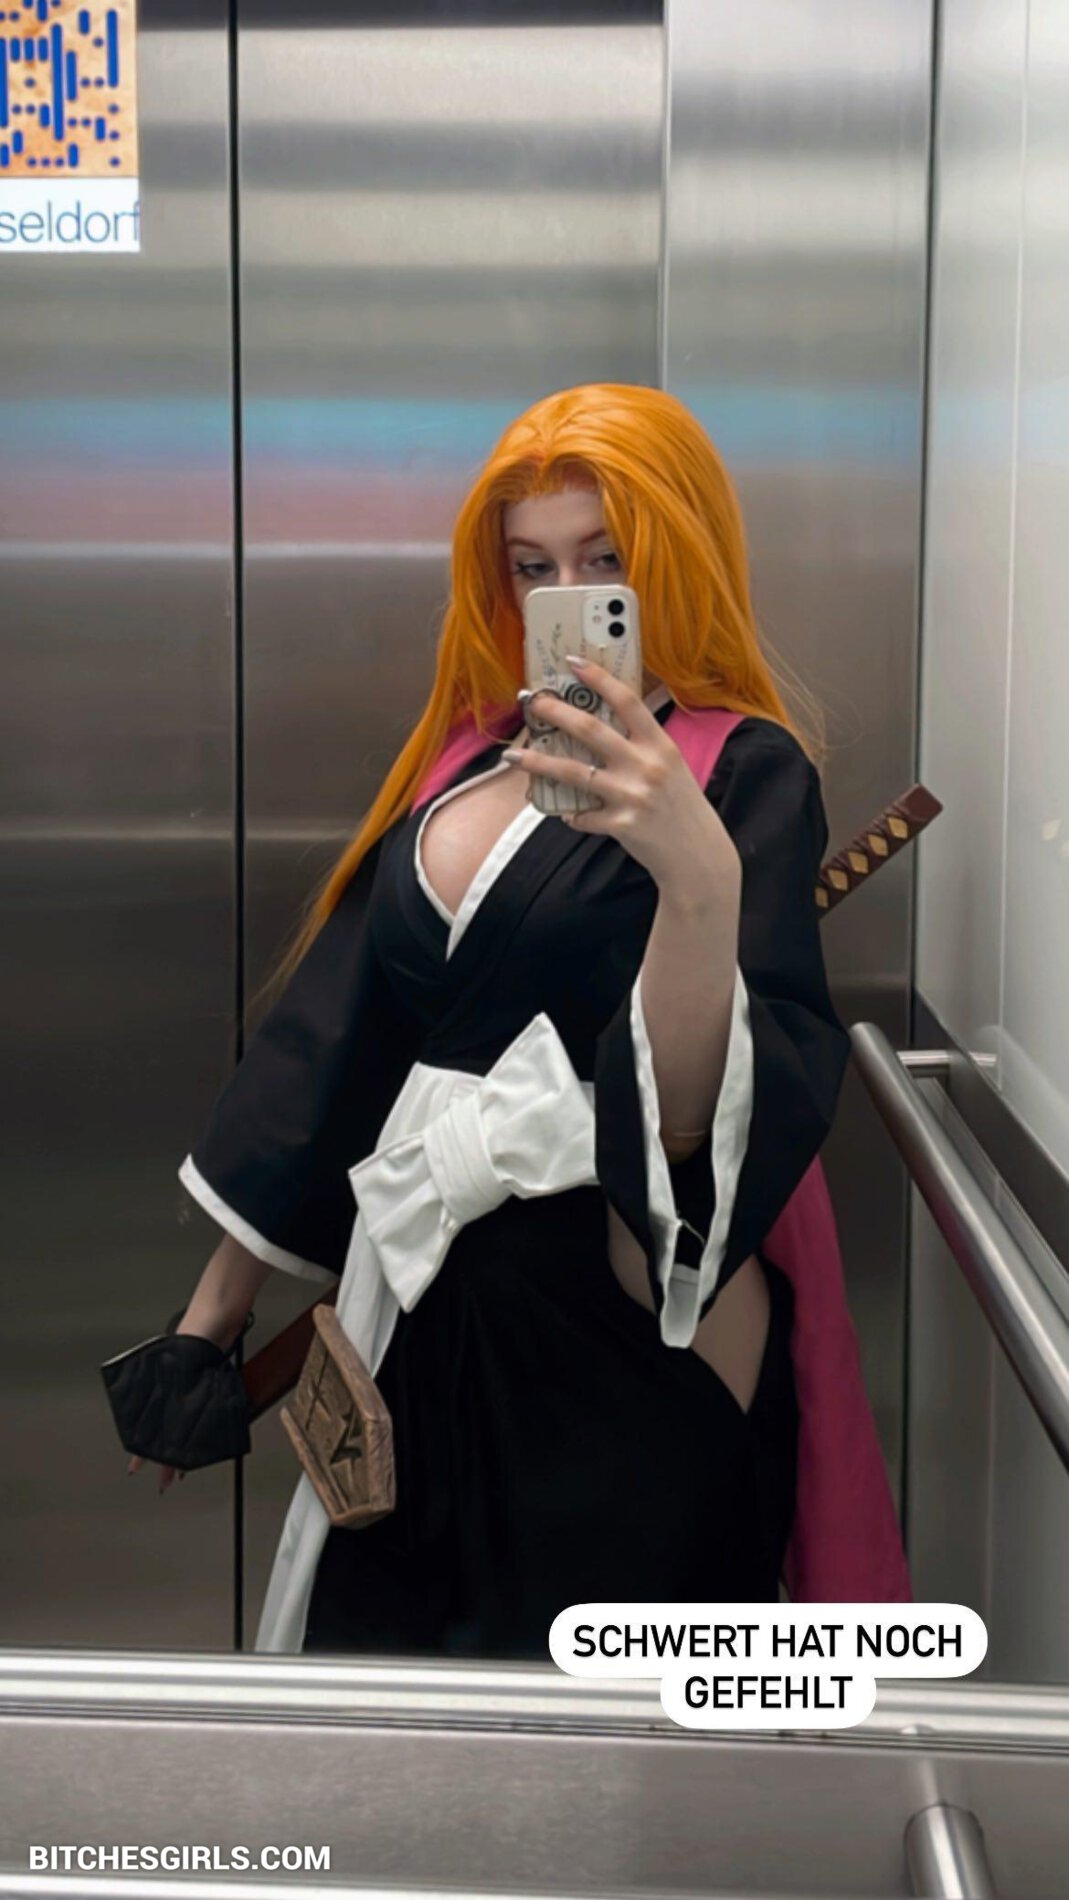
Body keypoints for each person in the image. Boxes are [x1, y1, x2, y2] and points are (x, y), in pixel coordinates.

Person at [130, 383, 887, 1656]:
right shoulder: (464, 763)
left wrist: (695, 875)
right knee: (393, 1689)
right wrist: (209, 1324)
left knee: (602, 1712)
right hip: (418, 1299)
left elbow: (701, 1118)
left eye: (604, 560)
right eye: (534, 566)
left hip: (631, 1306)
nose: (567, 595)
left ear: (674, 556)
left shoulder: (740, 771)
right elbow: (339, 1040)